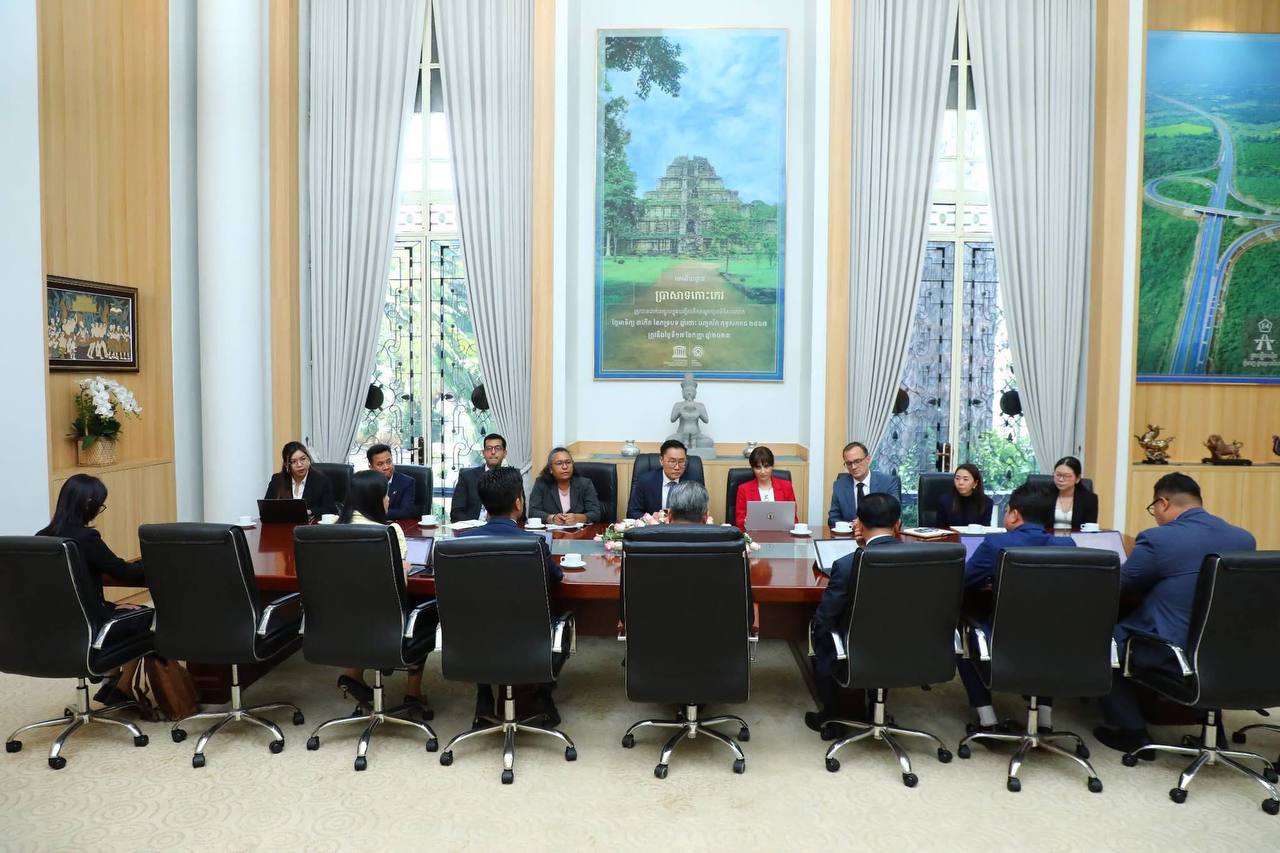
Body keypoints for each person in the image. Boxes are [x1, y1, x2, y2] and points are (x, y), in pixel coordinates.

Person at [1093, 473, 1255, 755]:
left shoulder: (1159, 539)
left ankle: (1133, 733)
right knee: (1207, 633)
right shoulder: (1243, 539)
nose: (1155, 514)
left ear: (1163, 502)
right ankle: (1213, 730)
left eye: (1153, 508)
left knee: (1098, 644)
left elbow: (1120, 585)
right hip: (1225, 650)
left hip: (1171, 649)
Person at [956, 482, 1074, 735]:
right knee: (1046, 626)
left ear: (1014, 514)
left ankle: (988, 720)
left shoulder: (995, 544)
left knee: (963, 630)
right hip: (1056, 647)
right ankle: (1044, 720)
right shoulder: (1068, 546)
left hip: (1004, 645)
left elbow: (963, 581)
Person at [455, 466, 564, 727]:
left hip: (472, 643)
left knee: (481, 618)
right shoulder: (534, 544)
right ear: (518, 503)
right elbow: (557, 578)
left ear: (484, 505)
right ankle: (541, 694)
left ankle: (484, 694)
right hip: (528, 643)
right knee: (559, 619)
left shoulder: (460, 543)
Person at [37, 474, 151, 706]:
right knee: (147, 616)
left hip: (52, 629)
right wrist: (152, 561)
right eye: (100, 505)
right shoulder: (86, 538)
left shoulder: (41, 539)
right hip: (91, 627)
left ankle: (111, 681)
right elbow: (124, 572)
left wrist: (109, 607)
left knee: (124, 610)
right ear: (89, 505)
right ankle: (122, 687)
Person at [806, 492, 903, 736]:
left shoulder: (847, 564)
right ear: (898, 524)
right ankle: (876, 708)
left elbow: (825, 617)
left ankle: (832, 716)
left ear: (858, 523)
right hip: (909, 650)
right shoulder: (924, 559)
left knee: (819, 630)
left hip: (856, 652)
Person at [334, 470, 426, 710]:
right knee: (424, 605)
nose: (388, 500)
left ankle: (353, 673)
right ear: (374, 500)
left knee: (359, 604)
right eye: (386, 495)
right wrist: (404, 568)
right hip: (387, 624)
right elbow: (399, 587)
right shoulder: (389, 532)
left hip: (340, 624)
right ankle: (413, 692)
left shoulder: (330, 529)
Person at [450, 433, 525, 523]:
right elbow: (456, 512)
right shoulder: (467, 477)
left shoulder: (513, 477)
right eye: (489, 448)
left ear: (505, 453)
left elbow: (521, 513)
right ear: (483, 453)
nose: (493, 452)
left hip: (502, 527)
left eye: (497, 448)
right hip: (472, 529)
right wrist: (471, 526)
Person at [827, 441, 901, 528]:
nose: (853, 467)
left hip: (877, 533)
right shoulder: (840, 485)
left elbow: (894, 514)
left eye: (857, 461)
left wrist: (864, 524)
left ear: (868, 459)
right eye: (849, 463)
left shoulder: (887, 482)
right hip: (851, 533)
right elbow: (833, 518)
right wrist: (851, 526)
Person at [626, 439, 704, 518]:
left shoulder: (694, 482)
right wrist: (651, 517)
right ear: (661, 460)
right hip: (654, 525)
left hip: (683, 524)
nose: (677, 467)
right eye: (672, 461)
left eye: (681, 461)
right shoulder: (645, 481)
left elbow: (701, 512)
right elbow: (633, 512)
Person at [528, 447, 602, 525]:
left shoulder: (585, 484)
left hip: (580, 531)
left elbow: (595, 514)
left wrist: (578, 518)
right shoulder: (542, 484)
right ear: (550, 469)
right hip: (552, 531)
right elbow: (533, 512)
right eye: (559, 463)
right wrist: (551, 518)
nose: (565, 467)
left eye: (568, 462)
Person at [264, 441, 337, 517]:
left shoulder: (321, 481)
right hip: (284, 523)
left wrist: (309, 511)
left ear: (308, 459)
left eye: (303, 459)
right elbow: (266, 509)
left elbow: (331, 510)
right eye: (294, 461)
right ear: (286, 465)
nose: (299, 465)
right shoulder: (277, 480)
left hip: (310, 523)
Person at [734, 445, 798, 529]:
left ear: (772, 466)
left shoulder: (786, 487)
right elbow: (739, 522)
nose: (763, 471)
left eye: (766, 466)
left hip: (781, 533)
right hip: (754, 534)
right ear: (752, 468)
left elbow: (793, 519)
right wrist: (745, 523)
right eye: (758, 467)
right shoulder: (743, 489)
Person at [934, 463, 995, 528]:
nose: (960, 483)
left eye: (965, 479)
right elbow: (940, 529)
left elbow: (985, 530)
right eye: (957, 478)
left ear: (975, 483)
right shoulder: (944, 501)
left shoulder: (986, 503)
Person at [367, 443, 416, 521]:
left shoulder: (406, 482)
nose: (386, 467)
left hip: (396, 526)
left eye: (389, 462)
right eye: (380, 464)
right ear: (371, 467)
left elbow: (406, 512)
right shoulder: (365, 483)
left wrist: (375, 514)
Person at [1050, 456, 1099, 529]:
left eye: (1066, 476)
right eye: (1058, 475)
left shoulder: (1089, 499)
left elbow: (1090, 529)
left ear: (1077, 478)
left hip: (1077, 536)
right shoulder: (1044, 495)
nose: (1061, 479)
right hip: (1048, 536)